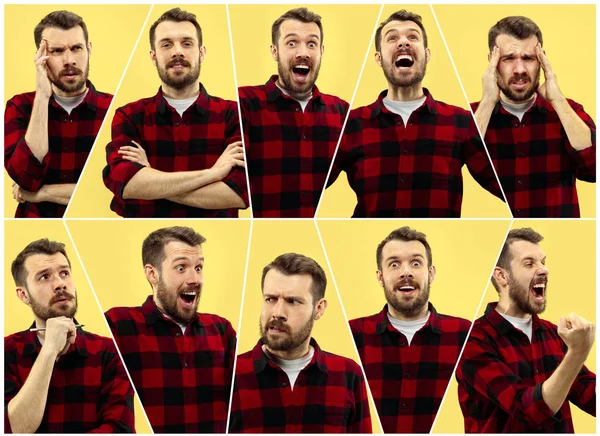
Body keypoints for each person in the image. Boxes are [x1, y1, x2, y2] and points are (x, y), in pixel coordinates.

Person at [328, 10, 503, 218]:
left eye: (412, 36)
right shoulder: (352, 124)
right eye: (392, 38)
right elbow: (310, 186)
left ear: (427, 55)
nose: (403, 43)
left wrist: (489, 101)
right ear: (378, 58)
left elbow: (506, 188)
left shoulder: (460, 121)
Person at [103, 8, 248, 218]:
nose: (177, 52)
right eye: (166, 44)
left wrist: (151, 178)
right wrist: (213, 174)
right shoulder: (129, 116)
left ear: (202, 53)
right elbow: (125, 184)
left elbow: (239, 193)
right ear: (153, 56)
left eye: (187, 43)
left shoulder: (234, 114)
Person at [456, 228, 596, 432]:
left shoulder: (553, 334)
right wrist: (578, 353)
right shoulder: (472, 341)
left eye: (543, 262)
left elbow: (589, 395)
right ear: (502, 276)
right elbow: (528, 412)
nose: (544, 270)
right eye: (529, 263)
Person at [105, 226, 236, 433]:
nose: (195, 279)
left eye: (199, 268)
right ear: (152, 274)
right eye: (181, 268)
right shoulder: (118, 326)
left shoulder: (222, 331)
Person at [229, 253, 371, 433]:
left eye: (293, 301)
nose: (278, 312)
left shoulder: (348, 375)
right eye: (270, 299)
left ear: (318, 309)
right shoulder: (229, 375)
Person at [5, 239, 134, 433]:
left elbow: (119, 430)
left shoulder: (111, 352)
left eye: (64, 273)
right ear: (24, 295)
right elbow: (13, 429)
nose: (59, 284)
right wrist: (49, 350)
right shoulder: (6, 352)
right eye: (44, 277)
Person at [350, 227, 471, 433]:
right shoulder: (353, 334)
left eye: (416, 263)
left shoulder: (466, 334)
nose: (406, 272)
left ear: (430, 273)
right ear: (380, 277)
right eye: (394, 264)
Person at [473, 16, 596, 218]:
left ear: (542, 59)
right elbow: (457, 159)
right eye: (509, 58)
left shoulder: (568, 111)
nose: (520, 70)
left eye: (528, 58)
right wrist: (487, 101)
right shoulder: (475, 115)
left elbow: (593, 170)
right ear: (492, 61)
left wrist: (557, 99)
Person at [239, 8, 349, 218]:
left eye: (311, 44)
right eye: (292, 43)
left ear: (321, 51)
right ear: (274, 51)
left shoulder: (341, 112)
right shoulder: (244, 103)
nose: (303, 53)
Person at [5, 11, 112, 218]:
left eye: (76, 48)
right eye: (56, 51)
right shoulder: (19, 107)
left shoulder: (115, 110)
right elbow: (26, 178)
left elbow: (112, 188)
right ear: (41, 57)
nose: (69, 60)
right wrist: (43, 96)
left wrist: (42, 193)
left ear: (89, 50)